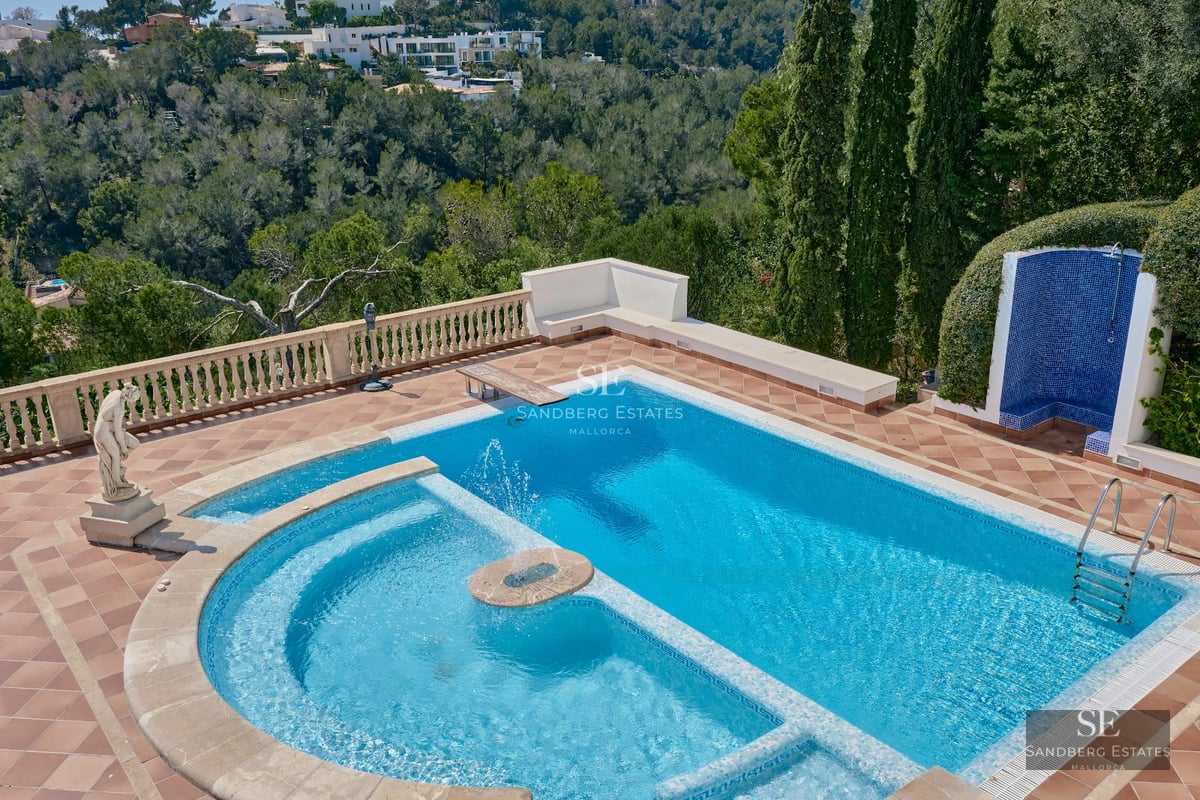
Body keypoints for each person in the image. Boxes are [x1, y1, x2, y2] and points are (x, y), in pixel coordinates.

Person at [93, 385, 141, 502]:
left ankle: (117, 467)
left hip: (102, 428)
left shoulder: (116, 392)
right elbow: (119, 432)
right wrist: (124, 448)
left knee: (135, 444)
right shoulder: (118, 408)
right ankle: (118, 483)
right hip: (104, 432)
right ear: (129, 398)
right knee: (115, 456)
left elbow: (102, 411)